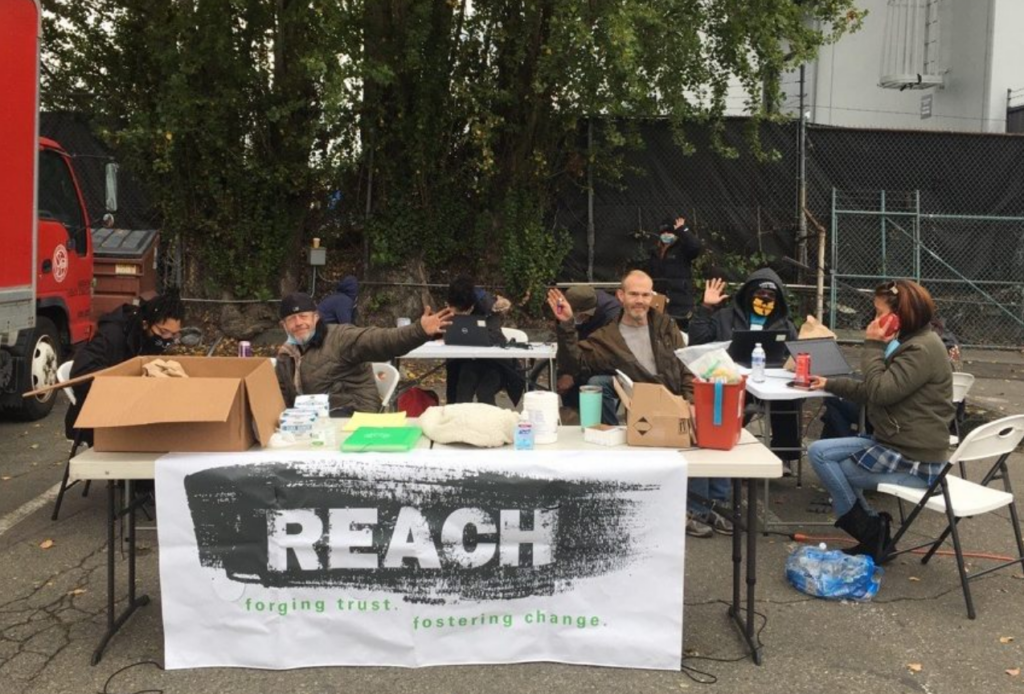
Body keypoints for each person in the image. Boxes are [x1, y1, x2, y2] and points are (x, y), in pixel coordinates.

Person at [548, 271, 729, 538]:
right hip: (646, 408)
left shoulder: (665, 325)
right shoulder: (606, 337)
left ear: (652, 296)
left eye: (645, 294)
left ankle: (708, 507)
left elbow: (687, 367)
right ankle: (692, 511)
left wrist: (691, 402)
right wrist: (565, 326)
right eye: (634, 294)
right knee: (601, 383)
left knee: (705, 425)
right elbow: (575, 364)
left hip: (677, 401)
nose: (640, 300)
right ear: (621, 296)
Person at [808, 280, 953, 563]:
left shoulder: (920, 349)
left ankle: (873, 536)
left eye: (878, 313)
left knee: (835, 470)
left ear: (898, 316)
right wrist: (831, 384)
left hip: (914, 458)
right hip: (894, 441)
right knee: (818, 451)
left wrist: (873, 344)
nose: (874, 320)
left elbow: (879, 392)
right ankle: (875, 531)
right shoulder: (913, 341)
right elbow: (875, 390)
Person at [689, 268, 803, 470]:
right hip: (730, 379)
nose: (765, 298)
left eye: (771, 295)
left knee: (787, 400)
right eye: (760, 294)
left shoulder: (785, 324)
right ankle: (723, 444)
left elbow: (795, 356)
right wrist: (706, 307)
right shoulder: (724, 316)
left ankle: (783, 456)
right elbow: (697, 343)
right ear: (749, 294)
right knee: (728, 397)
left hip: (770, 380)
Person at [275, 292, 453, 415]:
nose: (298, 323)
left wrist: (419, 330)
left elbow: (382, 340)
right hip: (309, 422)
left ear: (316, 317)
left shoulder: (341, 337)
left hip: (351, 412)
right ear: (284, 326)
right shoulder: (285, 355)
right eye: (291, 319)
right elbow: (280, 397)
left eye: (304, 316)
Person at [66, 289, 186, 447]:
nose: (167, 339)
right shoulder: (112, 335)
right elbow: (80, 373)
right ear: (146, 324)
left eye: (173, 335)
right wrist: (125, 384)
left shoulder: (148, 339)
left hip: (131, 412)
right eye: (163, 332)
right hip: (95, 420)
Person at [444, 277, 524, 407]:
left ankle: (491, 424)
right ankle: (458, 420)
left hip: (495, 362)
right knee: (463, 390)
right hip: (468, 361)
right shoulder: (453, 299)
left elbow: (493, 336)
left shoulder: (488, 305)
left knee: (485, 392)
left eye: (462, 310)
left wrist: (501, 305)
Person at [554, 286, 622, 424]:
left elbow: (603, 358)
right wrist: (566, 372)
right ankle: (575, 420)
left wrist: (573, 376)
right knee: (565, 376)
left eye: (582, 317)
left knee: (593, 383)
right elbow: (566, 343)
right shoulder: (566, 308)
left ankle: (607, 426)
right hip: (586, 357)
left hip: (612, 364)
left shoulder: (613, 316)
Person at [647, 215, 702, 330]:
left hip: (680, 299)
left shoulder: (682, 249)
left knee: (680, 332)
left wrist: (683, 230)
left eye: (670, 232)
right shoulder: (654, 252)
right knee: (657, 329)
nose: (666, 235)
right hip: (658, 299)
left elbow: (695, 246)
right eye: (664, 232)